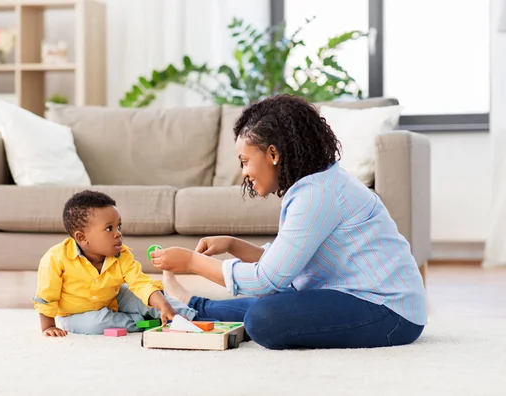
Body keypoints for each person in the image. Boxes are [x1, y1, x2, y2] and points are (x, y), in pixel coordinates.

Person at [150, 94, 427, 350]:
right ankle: (190, 305)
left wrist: (191, 263)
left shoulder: (316, 195)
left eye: (245, 161)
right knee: (276, 302)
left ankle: (193, 305)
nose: (244, 172)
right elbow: (283, 266)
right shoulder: (314, 186)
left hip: (389, 313)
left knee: (264, 317)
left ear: (273, 154)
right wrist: (233, 245)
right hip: (362, 297)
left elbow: (267, 280)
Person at [32, 190, 196, 337]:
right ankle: (142, 321)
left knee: (150, 298)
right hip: (76, 313)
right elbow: (47, 296)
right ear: (82, 238)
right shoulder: (55, 258)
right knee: (96, 324)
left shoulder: (122, 254)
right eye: (109, 229)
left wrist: (163, 305)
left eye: (119, 226)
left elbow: (141, 283)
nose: (118, 234)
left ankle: (187, 316)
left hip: (114, 297)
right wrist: (48, 327)